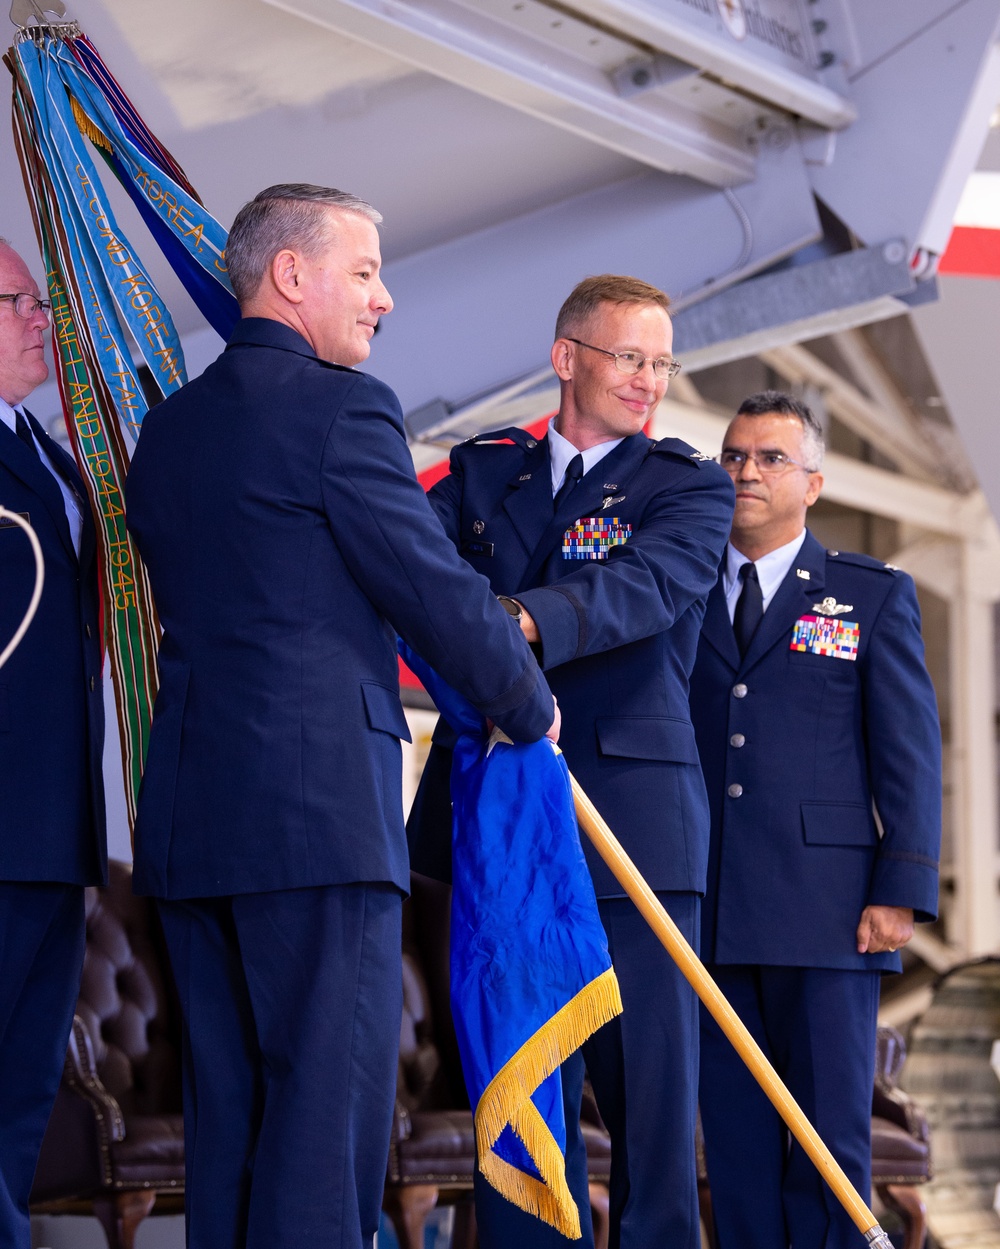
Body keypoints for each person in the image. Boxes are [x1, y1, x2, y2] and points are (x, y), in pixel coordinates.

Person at [124, 184, 557, 1249]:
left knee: (232, 1124)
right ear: (290, 276)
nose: (385, 298)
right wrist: (523, 702)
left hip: (192, 822)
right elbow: (430, 586)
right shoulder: (342, 409)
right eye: (363, 272)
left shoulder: (165, 432)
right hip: (314, 821)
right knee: (327, 1121)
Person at [407, 274, 735, 1249]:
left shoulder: (687, 486)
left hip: (632, 830)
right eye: (628, 357)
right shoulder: (478, 474)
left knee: (652, 1117)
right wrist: (475, 636)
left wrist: (507, 624)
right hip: (501, 830)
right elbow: (419, 590)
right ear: (567, 358)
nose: (648, 380)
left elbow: (644, 591)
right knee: (515, 1103)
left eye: (660, 362)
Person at [690, 390, 941, 1249]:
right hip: (710, 915)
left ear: (815, 482)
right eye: (733, 456)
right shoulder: (679, 592)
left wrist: (900, 887)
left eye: (769, 458)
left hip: (831, 914)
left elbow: (908, 750)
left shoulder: (869, 596)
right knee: (736, 1149)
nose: (746, 472)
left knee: (830, 1146)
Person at [0, 239, 106, 1249]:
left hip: (54, 829)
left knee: (22, 1092)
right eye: (21, 301)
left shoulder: (48, 452)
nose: (44, 318)